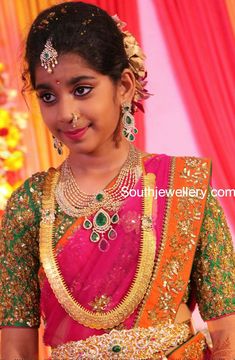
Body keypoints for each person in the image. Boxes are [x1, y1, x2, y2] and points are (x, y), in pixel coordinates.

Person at [0, 2, 234, 359]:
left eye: (81, 89)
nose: (66, 114)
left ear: (124, 85)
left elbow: (228, 333)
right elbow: (15, 349)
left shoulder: (182, 187)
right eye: (48, 96)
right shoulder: (29, 206)